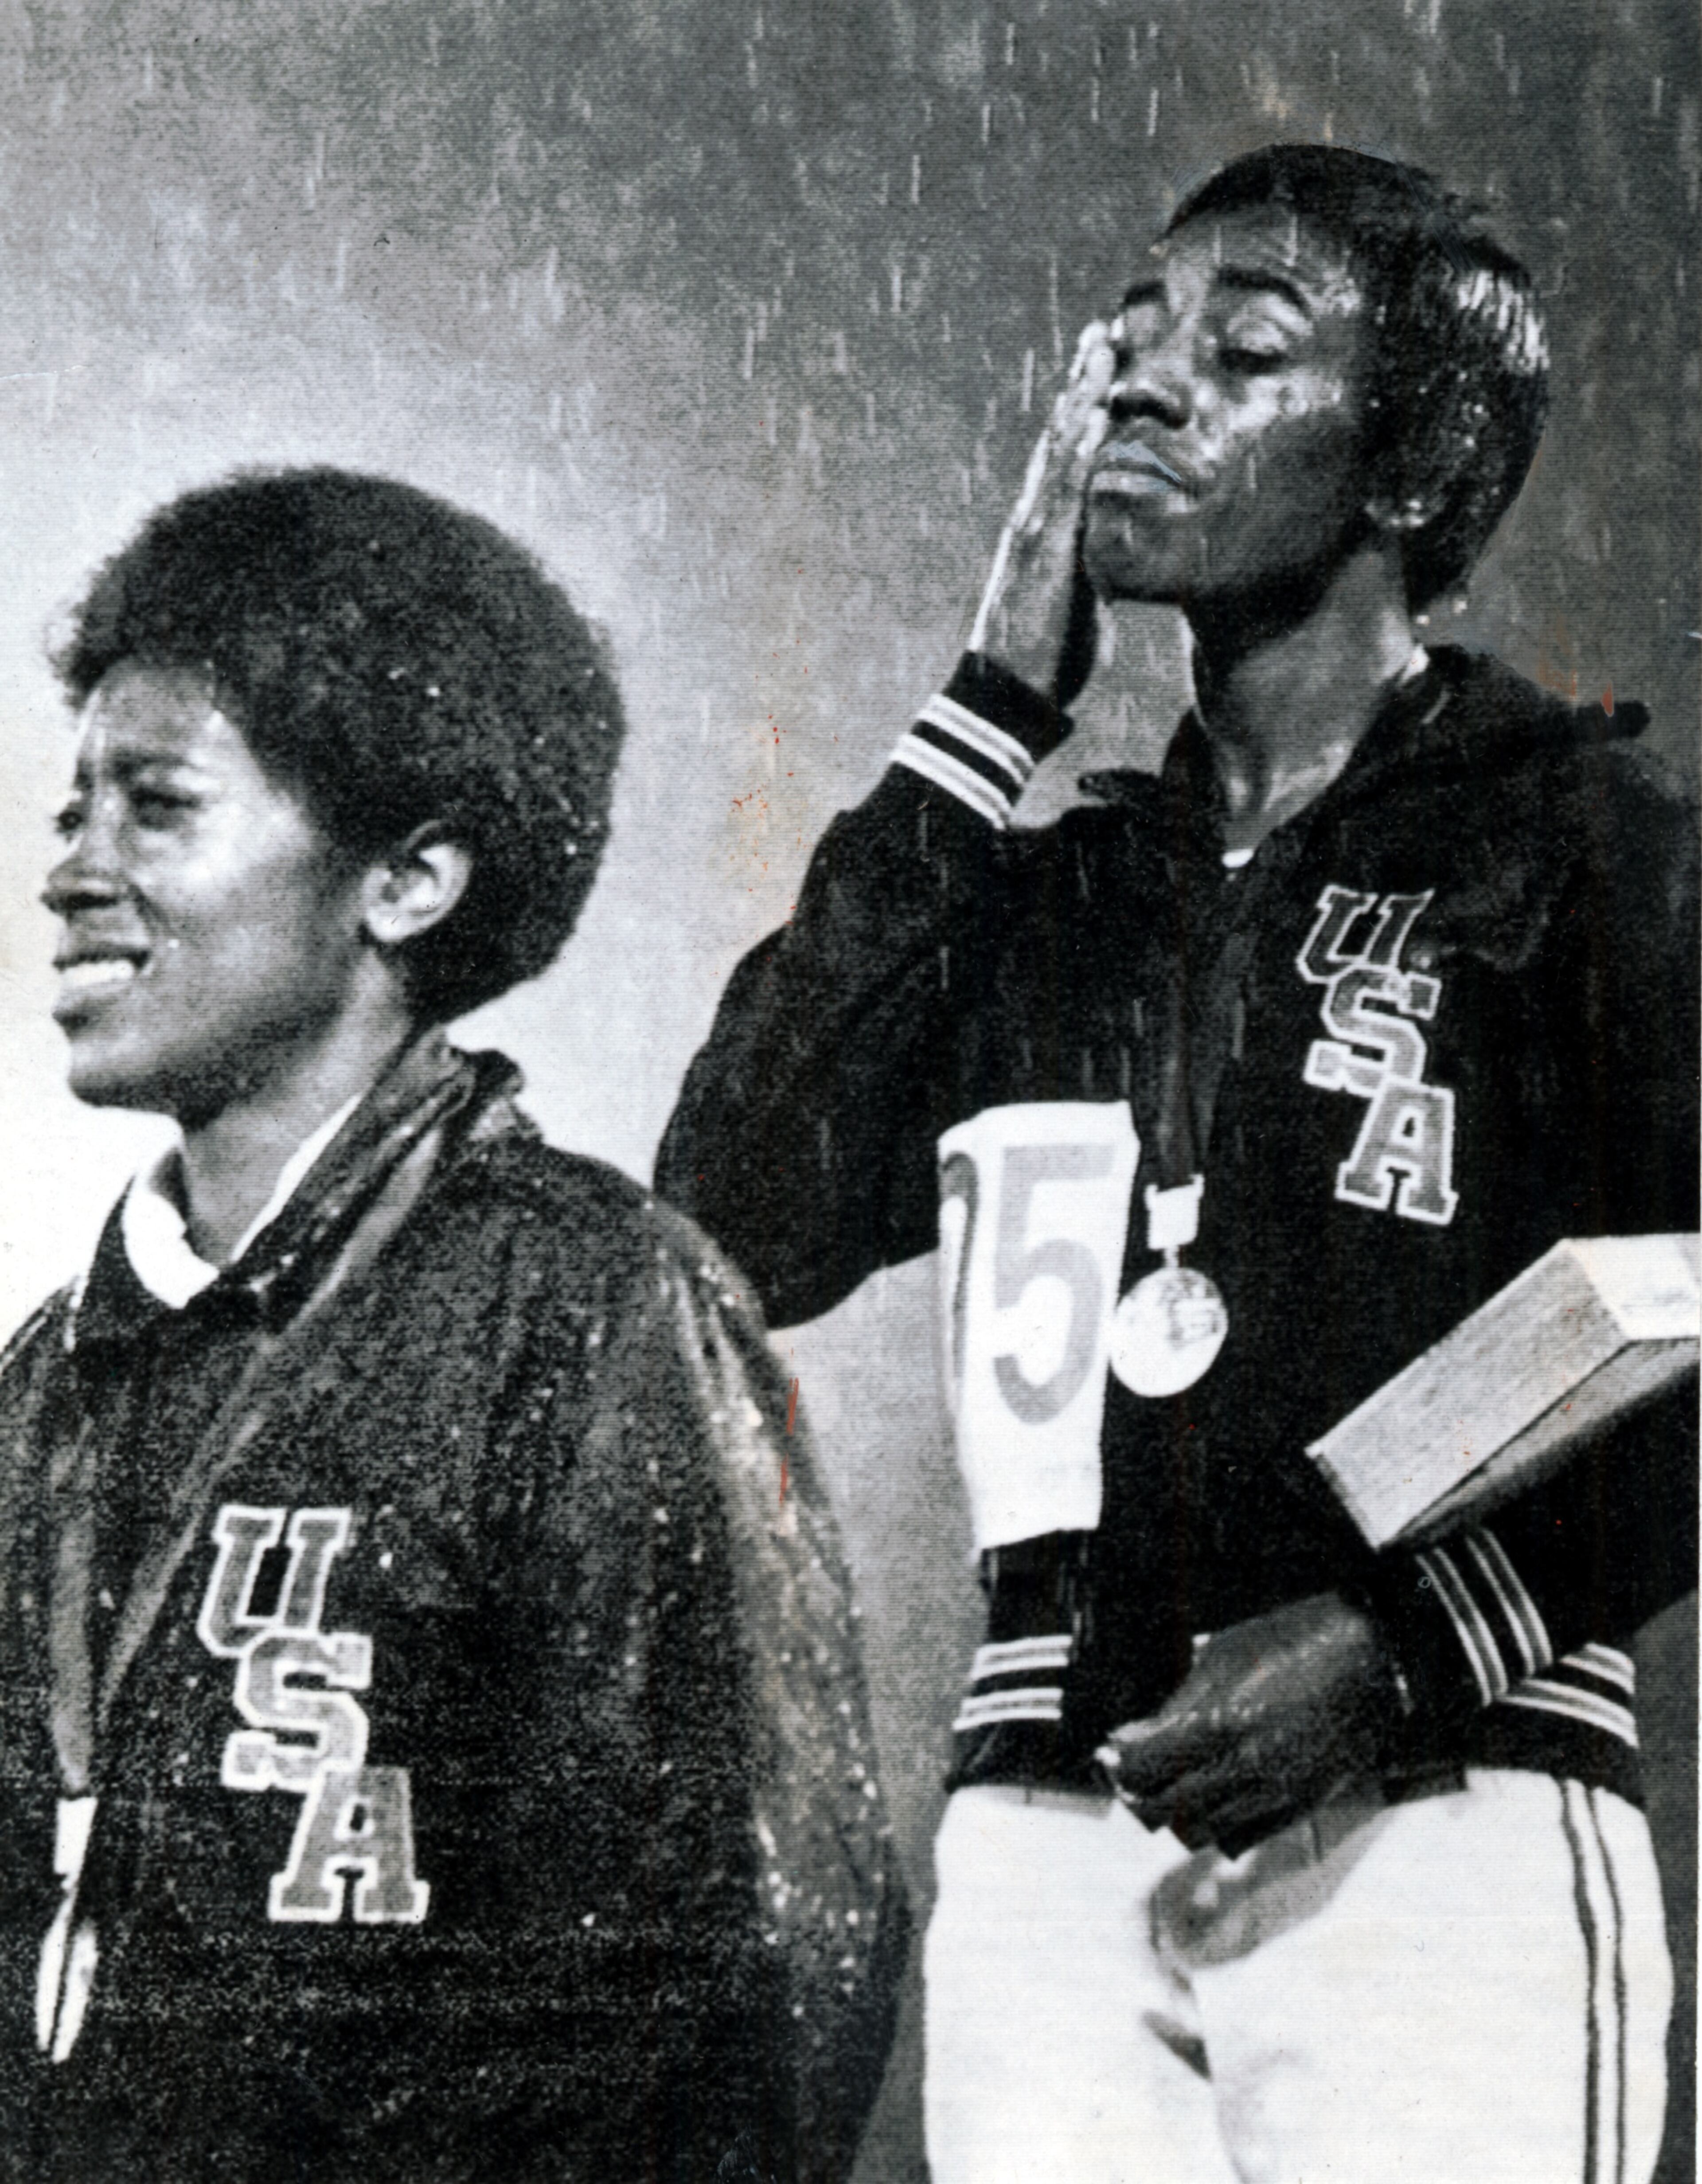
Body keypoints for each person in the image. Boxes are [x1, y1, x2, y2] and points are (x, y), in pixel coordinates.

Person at [657, 146, 1698, 2184]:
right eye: (1128, 339)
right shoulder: (1039, 897)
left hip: (1452, 1805)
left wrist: (1416, 1641)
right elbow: (726, 1224)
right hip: (1047, 1818)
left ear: (1408, 462)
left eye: (1244, 348)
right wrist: (985, 706)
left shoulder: (1583, 845)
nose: (1141, 385)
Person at [0, 468, 907, 2183]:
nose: (74, 872)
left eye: (157, 807)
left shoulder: (594, 1309)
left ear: (407, 879)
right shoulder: (38, 1393)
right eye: (72, 812)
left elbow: (760, 1971)